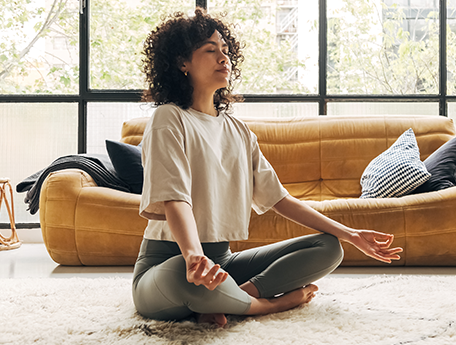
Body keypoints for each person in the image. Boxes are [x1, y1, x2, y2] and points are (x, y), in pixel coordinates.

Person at [133, 8, 403, 327]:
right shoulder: (169, 118)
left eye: (225, 50)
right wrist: (193, 257)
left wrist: (350, 233)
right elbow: (175, 198)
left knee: (328, 247)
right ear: (182, 63)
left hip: (222, 262)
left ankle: (236, 296)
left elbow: (279, 200)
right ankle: (264, 306)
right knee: (184, 276)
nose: (224, 58)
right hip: (168, 264)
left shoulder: (239, 131)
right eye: (210, 50)